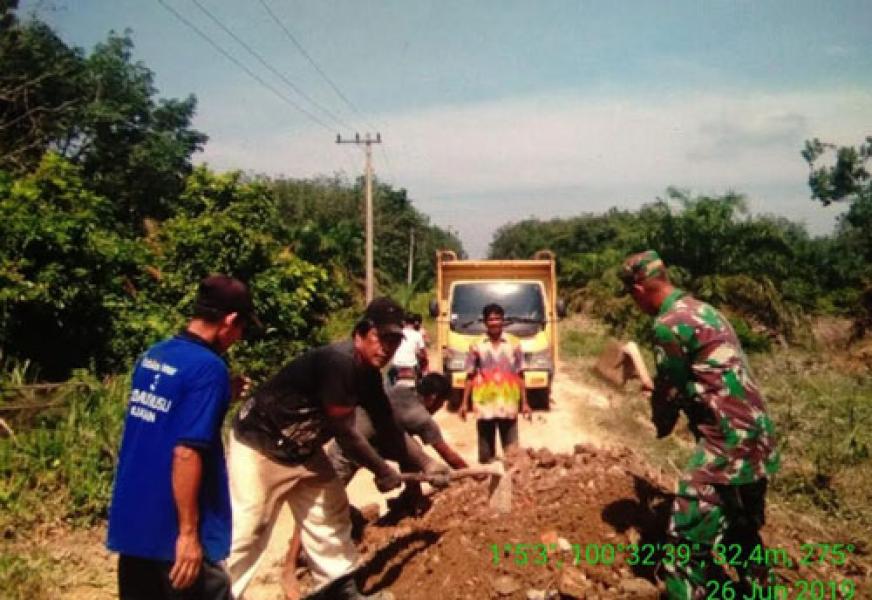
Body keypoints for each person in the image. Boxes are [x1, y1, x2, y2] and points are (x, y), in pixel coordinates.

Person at [227, 297, 448, 600]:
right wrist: (383, 471)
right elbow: (345, 432)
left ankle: (337, 591)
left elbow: (387, 425)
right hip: (260, 443)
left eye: (395, 341)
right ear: (361, 333)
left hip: (302, 450)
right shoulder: (338, 363)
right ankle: (218, 592)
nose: (387, 347)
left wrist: (426, 463)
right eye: (382, 338)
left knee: (330, 512)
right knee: (248, 528)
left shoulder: (369, 375)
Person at [621, 250, 780, 599]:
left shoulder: (667, 323)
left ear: (638, 289)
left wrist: (659, 416)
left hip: (725, 443)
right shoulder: (704, 309)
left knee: (684, 548)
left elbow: (670, 395)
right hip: (758, 436)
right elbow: (701, 378)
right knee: (742, 527)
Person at [107, 275, 258, 600]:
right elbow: (186, 452)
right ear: (230, 321)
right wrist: (188, 534)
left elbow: (164, 419)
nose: (239, 337)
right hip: (175, 534)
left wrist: (221, 395)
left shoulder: (153, 357)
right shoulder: (209, 369)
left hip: (136, 527)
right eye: (242, 328)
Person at [281, 373, 467, 600]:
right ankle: (290, 563)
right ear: (434, 398)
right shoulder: (418, 416)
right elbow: (449, 456)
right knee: (318, 504)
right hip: (348, 450)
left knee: (410, 450)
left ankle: (411, 503)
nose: (438, 409)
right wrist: (475, 477)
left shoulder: (400, 391)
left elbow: (408, 449)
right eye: (440, 404)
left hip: (372, 446)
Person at [460, 303, 531, 464]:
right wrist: (464, 403)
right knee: (486, 455)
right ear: (485, 322)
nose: (494, 322)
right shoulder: (476, 344)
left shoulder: (514, 343)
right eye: (490, 319)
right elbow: (470, 375)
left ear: (503, 321)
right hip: (485, 404)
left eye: (497, 318)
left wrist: (525, 402)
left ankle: (513, 482)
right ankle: (486, 483)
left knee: (512, 452)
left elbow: (521, 374)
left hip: (508, 402)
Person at [387, 313, 428, 384]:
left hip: (397, 365)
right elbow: (423, 352)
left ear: (403, 322)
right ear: (415, 323)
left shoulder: (397, 333)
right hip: (411, 366)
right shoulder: (417, 335)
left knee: (389, 378)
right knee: (420, 379)